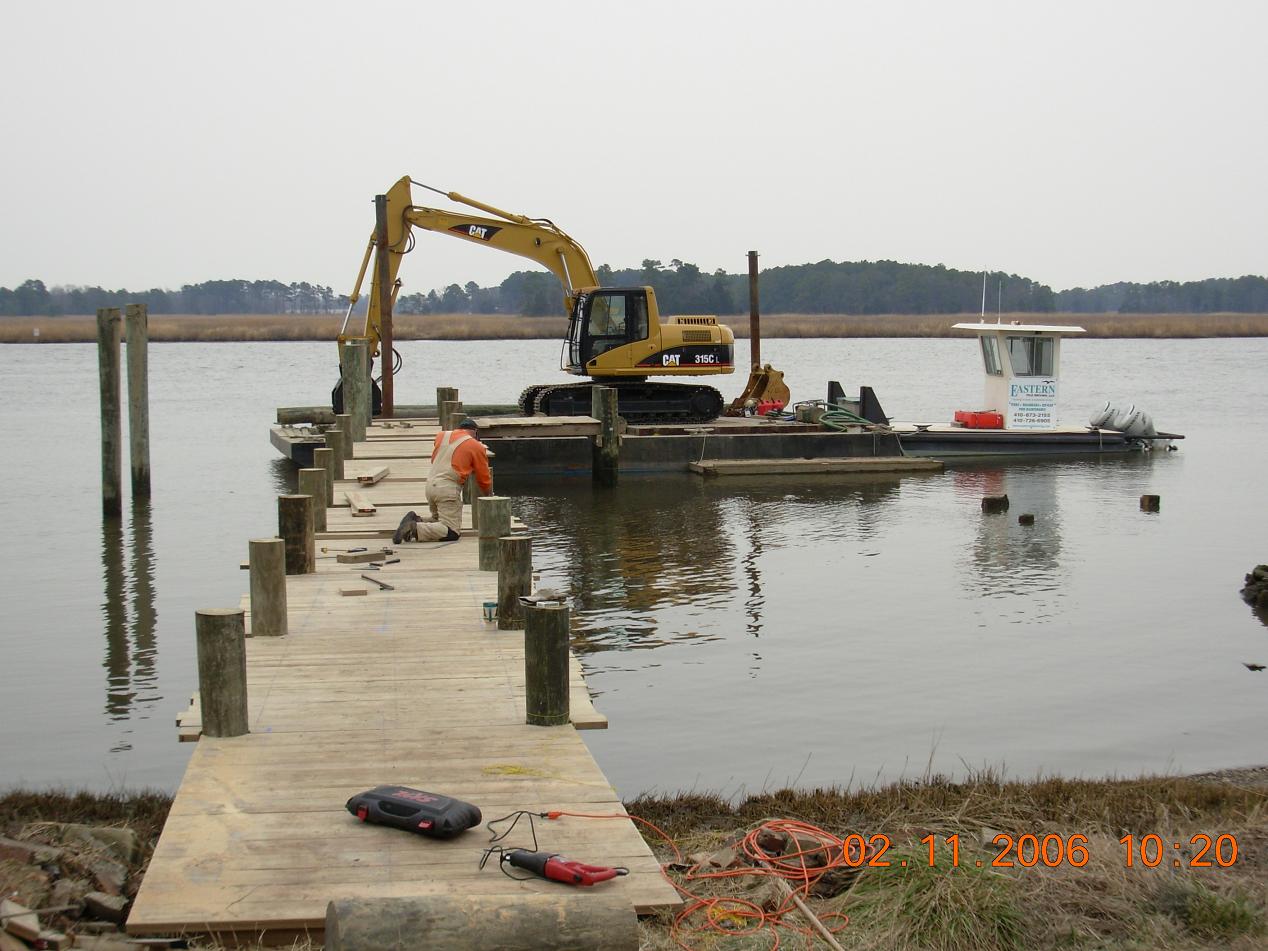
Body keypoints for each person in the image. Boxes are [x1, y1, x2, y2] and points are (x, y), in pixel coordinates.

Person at [394, 419, 492, 543]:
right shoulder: (476, 446)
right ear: (476, 432)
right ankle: (414, 528)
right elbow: (483, 478)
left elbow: (435, 457)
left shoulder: (442, 436)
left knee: (438, 520)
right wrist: (489, 496)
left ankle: (416, 520)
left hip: (431, 485)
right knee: (452, 531)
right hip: (447, 489)